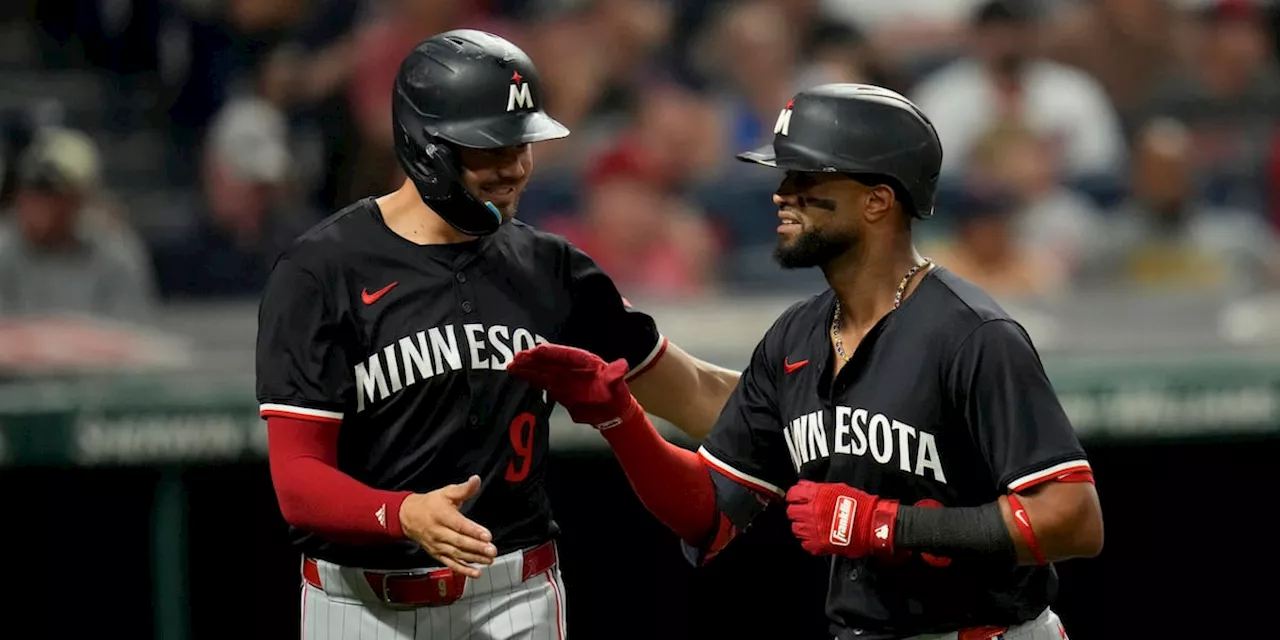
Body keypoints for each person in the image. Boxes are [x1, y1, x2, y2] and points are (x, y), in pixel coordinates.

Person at [506, 84, 1104, 640]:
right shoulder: (794, 338)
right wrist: (621, 419)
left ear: (877, 201)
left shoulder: (974, 336)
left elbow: (1074, 520)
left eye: (806, 177)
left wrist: (884, 524)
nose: (781, 193)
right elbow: (708, 515)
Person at [255, 30, 740, 640]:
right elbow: (298, 482)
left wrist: (824, 416)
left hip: (513, 597)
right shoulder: (322, 270)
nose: (514, 168)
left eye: (522, 144)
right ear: (426, 146)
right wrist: (402, 513)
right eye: (490, 149)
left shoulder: (552, 269)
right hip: (360, 606)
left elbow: (694, 394)